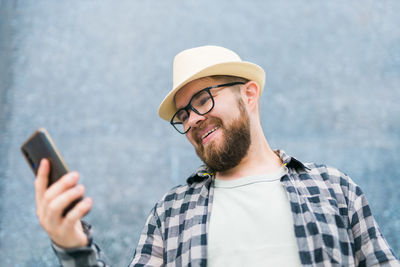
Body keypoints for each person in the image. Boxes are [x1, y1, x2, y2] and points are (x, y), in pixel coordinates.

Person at [35, 45, 399, 266]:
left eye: (203, 99)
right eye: (184, 114)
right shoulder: (171, 212)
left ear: (250, 95)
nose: (193, 119)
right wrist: (72, 246)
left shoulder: (334, 189)